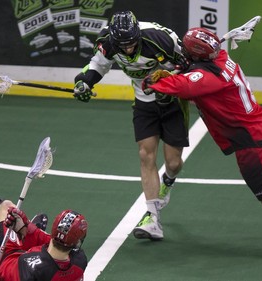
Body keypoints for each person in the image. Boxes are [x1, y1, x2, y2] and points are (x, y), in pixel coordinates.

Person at [142, 27, 262, 256]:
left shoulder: (204, 78)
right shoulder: (223, 58)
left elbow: (181, 86)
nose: (183, 51)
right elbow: (196, 73)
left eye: (186, 49)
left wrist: (152, 82)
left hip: (251, 141)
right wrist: (187, 67)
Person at [73, 11, 190, 240]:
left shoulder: (161, 39)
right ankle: (153, 218)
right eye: (122, 45)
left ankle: (168, 181)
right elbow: (97, 66)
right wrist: (83, 83)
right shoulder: (109, 41)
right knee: (146, 155)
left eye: (131, 44)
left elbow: (188, 66)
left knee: (173, 163)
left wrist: (166, 77)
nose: (127, 49)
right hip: (144, 103)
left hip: (172, 101)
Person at [0, 198, 88, 281]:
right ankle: (27, 235)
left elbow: (3, 274)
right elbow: (59, 241)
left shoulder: (27, 266)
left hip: (10, 259)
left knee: (5, 206)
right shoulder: (80, 261)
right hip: (36, 262)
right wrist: (25, 228)